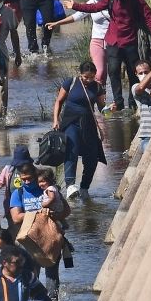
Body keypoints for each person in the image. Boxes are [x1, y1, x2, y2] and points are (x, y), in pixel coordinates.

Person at [65, 0, 151, 111]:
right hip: (113, 41)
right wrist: (75, 5)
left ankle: (133, 102)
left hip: (130, 41)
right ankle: (118, 102)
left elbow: (148, 14)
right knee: (113, 71)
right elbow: (95, 7)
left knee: (132, 72)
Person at [51, 61, 108, 199]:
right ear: (80, 74)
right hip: (71, 122)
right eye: (86, 77)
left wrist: (108, 109)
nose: (89, 80)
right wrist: (55, 120)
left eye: (92, 77)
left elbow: (101, 107)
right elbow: (59, 101)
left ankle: (84, 188)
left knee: (93, 156)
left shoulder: (97, 87)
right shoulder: (70, 83)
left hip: (88, 124)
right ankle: (70, 185)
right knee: (72, 149)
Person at [8, 162, 61, 298]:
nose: (26, 182)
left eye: (29, 178)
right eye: (23, 179)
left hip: (50, 238)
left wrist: (55, 214)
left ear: (36, 176)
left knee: (52, 276)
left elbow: (66, 210)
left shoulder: (47, 189)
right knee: (30, 275)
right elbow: (16, 217)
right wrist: (39, 213)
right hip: (28, 242)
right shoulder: (18, 193)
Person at [46, 0, 110, 84]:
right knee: (99, 73)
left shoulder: (113, 3)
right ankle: (99, 97)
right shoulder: (91, 3)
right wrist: (57, 23)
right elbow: (76, 16)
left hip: (113, 42)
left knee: (113, 71)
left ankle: (114, 97)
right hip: (97, 41)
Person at [0, 144, 33, 218]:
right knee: (14, 226)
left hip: (29, 205)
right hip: (12, 206)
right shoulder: (9, 169)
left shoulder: (33, 170)